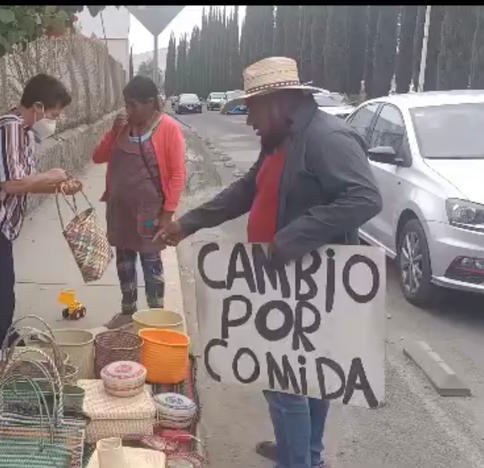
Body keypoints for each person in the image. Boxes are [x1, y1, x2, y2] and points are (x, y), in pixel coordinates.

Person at [155, 56, 383, 468]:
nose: (248, 121)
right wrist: (188, 223)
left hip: (307, 284)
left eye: (254, 110)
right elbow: (247, 191)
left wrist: (292, 238)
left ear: (279, 102)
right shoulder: (281, 140)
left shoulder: (327, 138)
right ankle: (305, 454)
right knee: (304, 377)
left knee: (286, 384)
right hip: (277, 283)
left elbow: (365, 197)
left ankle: (299, 458)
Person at [0, 73, 82, 381]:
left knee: (2, 289)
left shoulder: (22, 133)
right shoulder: (8, 128)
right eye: (53, 115)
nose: (54, 122)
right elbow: (11, 184)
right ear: (37, 107)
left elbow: (24, 184)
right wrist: (52, 176)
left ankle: (1, 348)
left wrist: (58, 187)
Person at [92, 75, 185, 330]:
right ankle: (128, 310)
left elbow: (177, 174)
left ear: (151, 103)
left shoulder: (168, 128)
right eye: (126, 104)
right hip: (120, 210)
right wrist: (113, 131)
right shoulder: (122, 128)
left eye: (133, 105)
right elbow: (98, 157)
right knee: (124, 260)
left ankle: (156, 315)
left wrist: (167, 215)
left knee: (151, 261)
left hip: (150, 211)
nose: (128, 110)